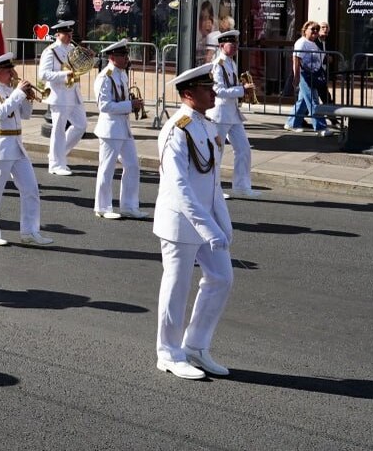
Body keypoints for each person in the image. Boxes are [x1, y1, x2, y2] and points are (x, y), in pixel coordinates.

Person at [154, 62, 234, 381]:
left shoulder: (206, 125)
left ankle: (196, 346)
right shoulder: (177, 129)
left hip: (206, 221)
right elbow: (179, 186)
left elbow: (212, 183)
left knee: (221, 278)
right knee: (176, 287)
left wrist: (223, 223)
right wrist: (209, 228)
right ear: (188, 93)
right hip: (179, 222)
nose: (213, 92)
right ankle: (168, 353)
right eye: (206, 88)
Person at [0, 53, 52, 246]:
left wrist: (27, 97)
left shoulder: (10, 89)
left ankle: (30, 231)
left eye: (12, 69)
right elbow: (1, 113)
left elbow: (25, 115)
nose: (12, 73)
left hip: (17, 146)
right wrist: (18, 93)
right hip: (0, 146)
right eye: (8, 70)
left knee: (31, 189)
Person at [92, 41, 146, 220]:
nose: (126, 58)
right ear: (112, 57)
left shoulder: (122, 74)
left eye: (126, 55)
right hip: (110, 129)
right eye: (123, 56)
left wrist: (132, 103)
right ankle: (102, 207)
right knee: (107, 168)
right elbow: (104, 106)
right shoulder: (104, 77)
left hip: (123, 127)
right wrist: (130, 104)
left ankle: (129, 206)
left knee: (132, 165)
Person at [210, 30, 259, 199]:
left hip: (232, 113)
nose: (236, 47)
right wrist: (241, 89)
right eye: (232, 44)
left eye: (236, 43)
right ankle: (213, 189)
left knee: (244, 149)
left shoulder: (231, 62)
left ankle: (242, 186)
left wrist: (243, 89)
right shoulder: (218, 64)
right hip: (220, 113)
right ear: (221, 46)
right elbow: (218, 90)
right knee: (217, 152)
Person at [38, 20, 87, 176]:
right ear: (58, 34)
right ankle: (55, 164)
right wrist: (65, 75)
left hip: (74, 94)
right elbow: (43, 74)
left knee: (81, 125)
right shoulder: (50, 51)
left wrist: (87, 58)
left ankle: (58, 154)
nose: (69, 36)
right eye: (66, 33)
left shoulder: (72, 48)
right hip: (59, 95)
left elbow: (78, 66)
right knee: (58, 130)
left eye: (70, 32)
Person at [287, 21, 331, 135]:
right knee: (313, 100)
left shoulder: (313, 43)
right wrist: (296, 77)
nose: (315, 31)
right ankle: (320, 127)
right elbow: (296, 60)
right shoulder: (301, 43)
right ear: (305, 30)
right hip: (305, 75)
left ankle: (291, 123)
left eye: (317, 29)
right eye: (312, 29)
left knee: (302, 101)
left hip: (313, 74)